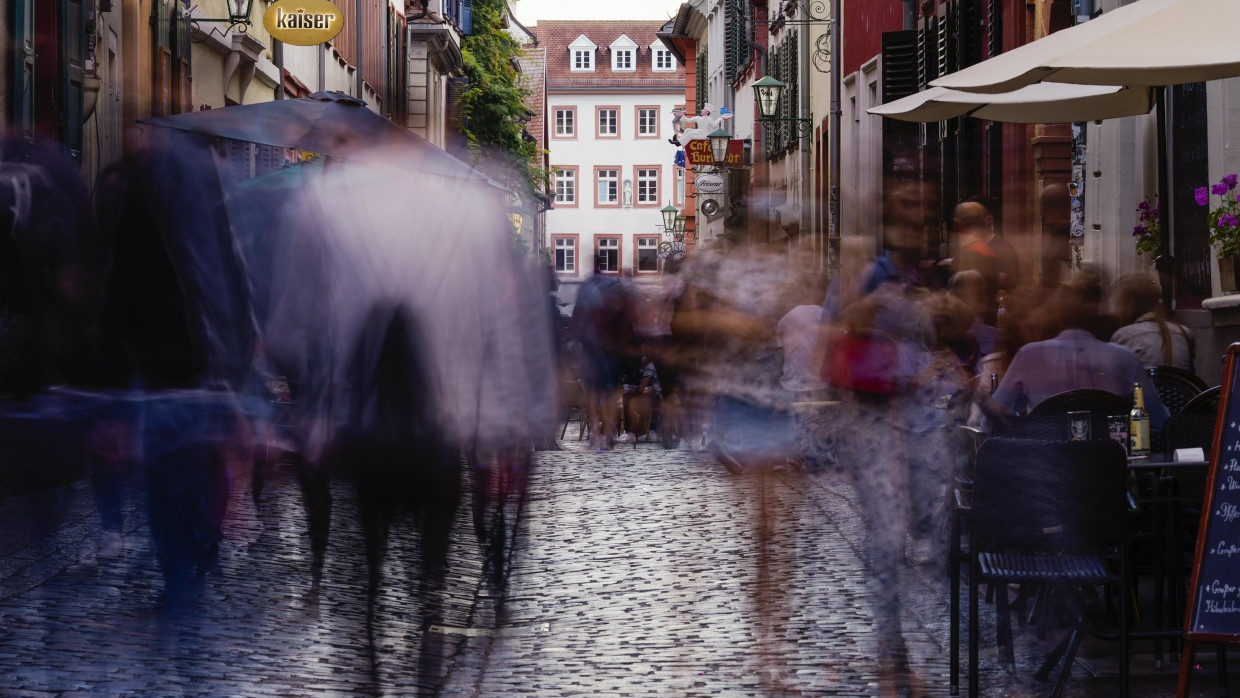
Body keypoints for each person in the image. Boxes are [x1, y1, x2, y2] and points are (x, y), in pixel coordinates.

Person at [991, 278, 1169, 429]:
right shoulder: (1125, 358)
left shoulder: (1029, 355)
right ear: (1098, 316)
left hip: (1046, 463)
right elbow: (1159, 420)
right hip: (1108, 464)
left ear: (1058, 315)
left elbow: (993, 417)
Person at [1110, 273, 1195, 371]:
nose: (1114, 311)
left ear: (1130, 303)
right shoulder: (1185, 333)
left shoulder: (1124, 336)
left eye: (1117, 304)